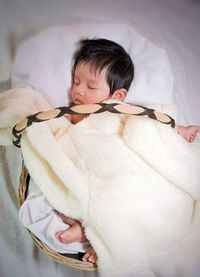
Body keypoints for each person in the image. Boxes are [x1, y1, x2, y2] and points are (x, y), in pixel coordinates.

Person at [19, 38, 200, 265]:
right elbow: (60, 135)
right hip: (91, 167)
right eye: (76, 81)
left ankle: (99, 235)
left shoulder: (120, 109)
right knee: (62, 191)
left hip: (123, 168)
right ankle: (89, 231)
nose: (78, 91)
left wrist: (180, 130)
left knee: (122, 196)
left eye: (90, 86)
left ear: (117, 95)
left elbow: (152, 122)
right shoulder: (72, 114)